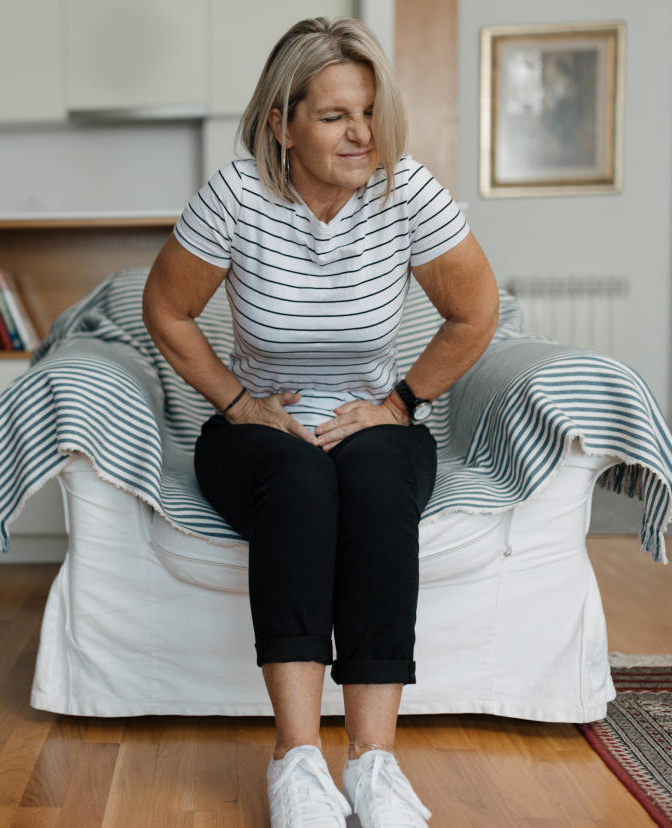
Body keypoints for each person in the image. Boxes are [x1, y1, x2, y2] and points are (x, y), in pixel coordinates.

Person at [142, 17, 498, 828]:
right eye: (335, 115)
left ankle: (373, 765)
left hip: (369, 423)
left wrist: (399, 405)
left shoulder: (405, 192)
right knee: (300, 483)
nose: (361, 133)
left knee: (375, 483)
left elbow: (475, 311)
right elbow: (165, 308)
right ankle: (296, 761)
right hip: (259, 434)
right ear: (281, 122)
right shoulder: (237, 195)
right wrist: (239, 404)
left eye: (368, 111)